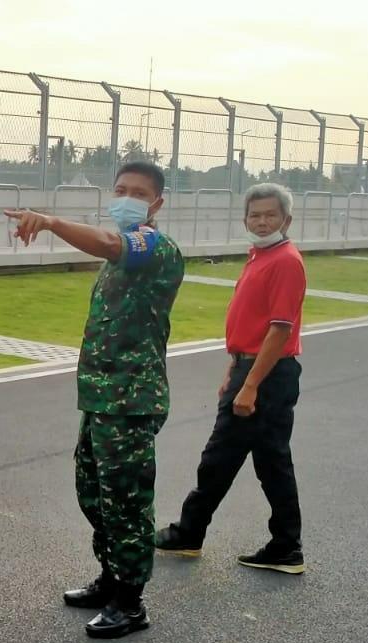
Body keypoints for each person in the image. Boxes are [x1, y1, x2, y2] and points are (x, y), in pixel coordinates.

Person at [4, 160, 185, 640]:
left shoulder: (155, 247)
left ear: (157, 204)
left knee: (126, 502)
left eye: (138, 193)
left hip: (132, 399)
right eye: (120, 189)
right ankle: (110, 576)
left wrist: (50, 221)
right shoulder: (120, 258)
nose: (126, 198)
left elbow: (108, 242)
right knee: (95, 494)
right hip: (102, 397)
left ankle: (130, 601)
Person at [154, 183, 308, 576]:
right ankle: (283, 545)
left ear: (287, 220)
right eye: (255, 215)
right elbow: (251, 323)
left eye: (270, 215)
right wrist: (233, 368)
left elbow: (280, 329)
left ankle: (192, 533)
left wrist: (250, 384)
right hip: (252, 367)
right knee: (264, 461)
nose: (262, 221)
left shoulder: (285, 261)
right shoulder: (260, 256)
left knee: (226, 458)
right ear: (245, 219)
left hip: (267, 375)